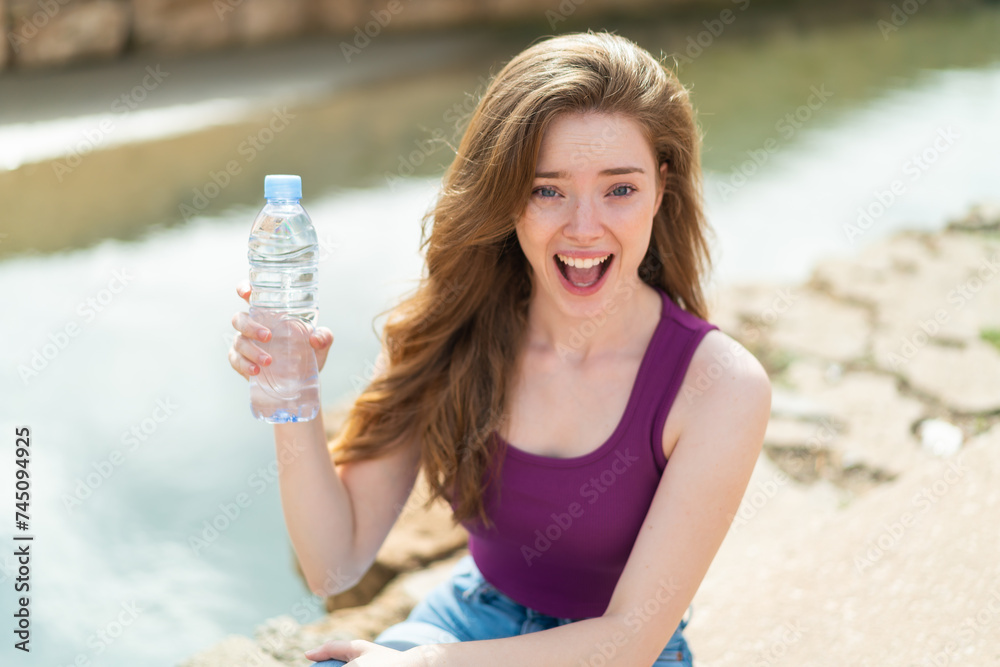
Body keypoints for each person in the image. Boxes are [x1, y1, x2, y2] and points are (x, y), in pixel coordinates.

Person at [229, 30, 770, 667]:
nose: (585, 226)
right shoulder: (445, 335)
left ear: (661, 186)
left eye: (619, 189)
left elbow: (629, 640)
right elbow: (332, 564)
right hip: (468, 618)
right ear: (506, 195)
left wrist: (422, 666)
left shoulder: (721, 386)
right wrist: (294, 398)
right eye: (548, 190)